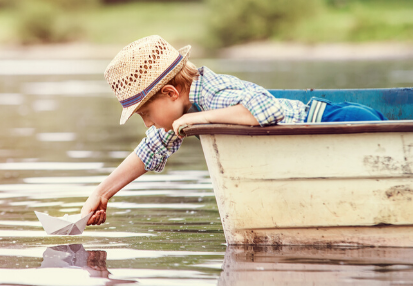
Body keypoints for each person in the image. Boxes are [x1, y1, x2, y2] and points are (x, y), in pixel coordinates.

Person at [80, 35, 387, 226]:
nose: (147, 123)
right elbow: (150, 150)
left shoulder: (213, 91)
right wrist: (101, 193)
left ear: (171, 93)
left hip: (337, 120)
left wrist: (198, 121)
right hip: (320, 145)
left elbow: (270, 110)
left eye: (145, 113)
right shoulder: (184, 109)